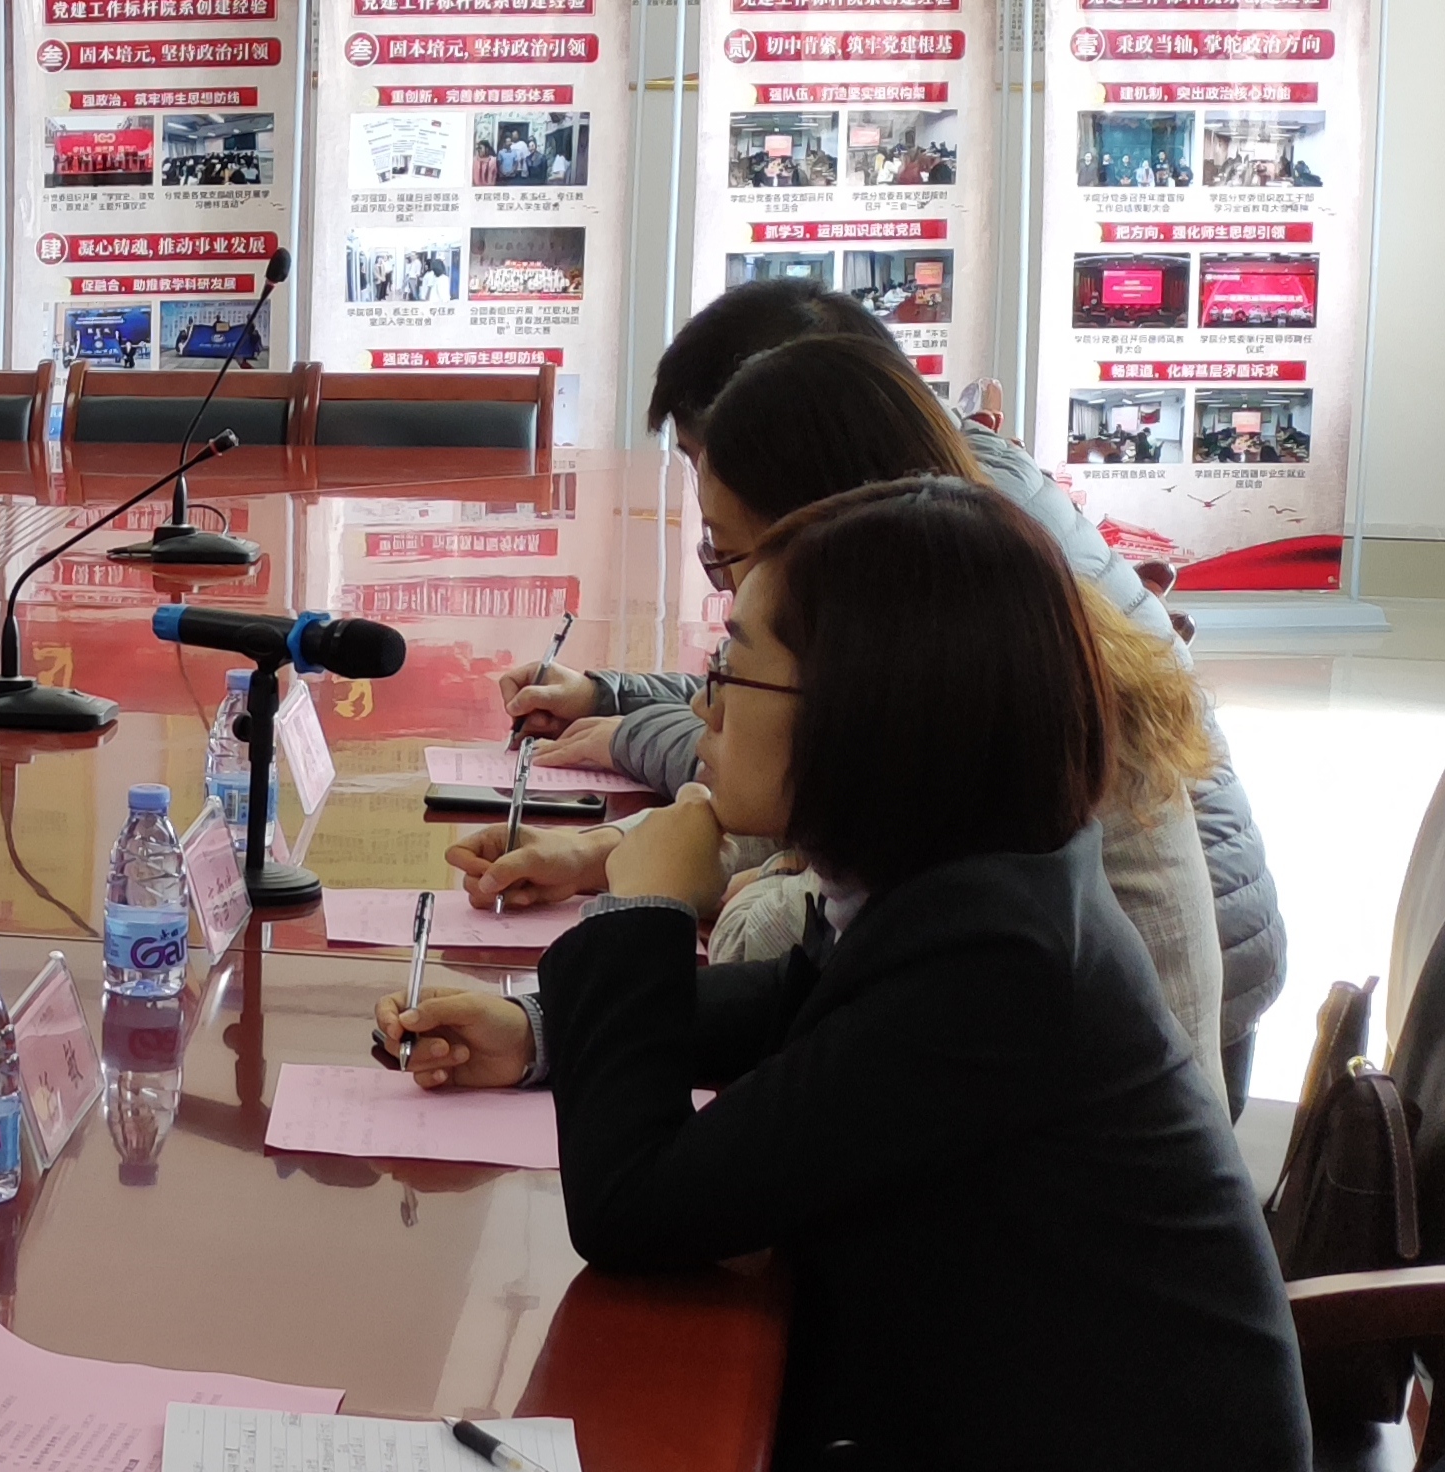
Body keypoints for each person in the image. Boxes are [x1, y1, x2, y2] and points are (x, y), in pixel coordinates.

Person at [383, 479, 1351, 1472]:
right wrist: (542, 1034)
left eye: (735, 668)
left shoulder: (993, 962)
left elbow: (638, 1205)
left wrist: (639, 912)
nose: (703, 704)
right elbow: (800, 1009)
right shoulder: (978, 890)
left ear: (869, 713)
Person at [497, 279, 1284, 1094]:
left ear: (815, 503)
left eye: (730, 549)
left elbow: (777, 949)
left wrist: (654, 905)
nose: (730, 583)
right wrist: (612, 865)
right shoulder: (960, 564)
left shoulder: (969, 643)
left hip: (1135, 1050)